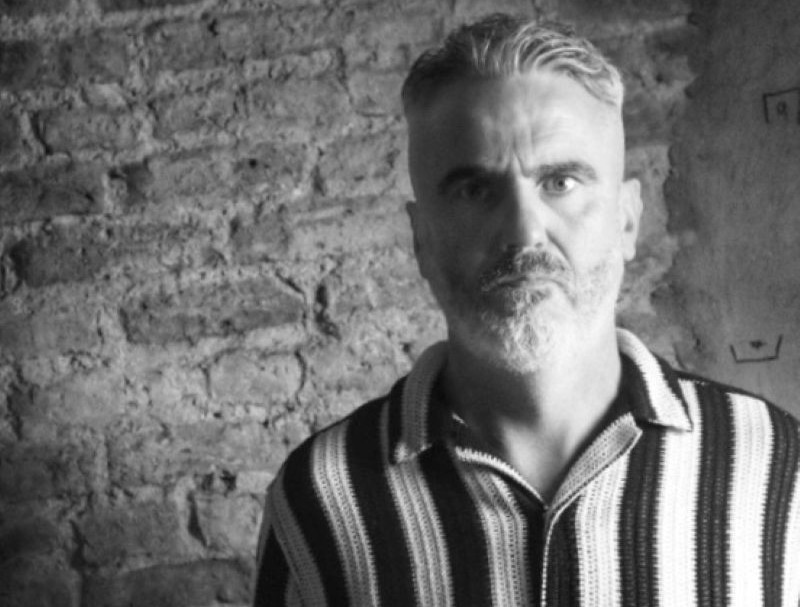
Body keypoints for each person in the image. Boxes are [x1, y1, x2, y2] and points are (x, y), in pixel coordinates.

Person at [252, 14, 800, 606]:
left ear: (626, 220)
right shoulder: (318, 500)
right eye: (474, 190)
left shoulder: (778, 471)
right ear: (420, 239)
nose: (524, 232)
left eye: (560, 182)